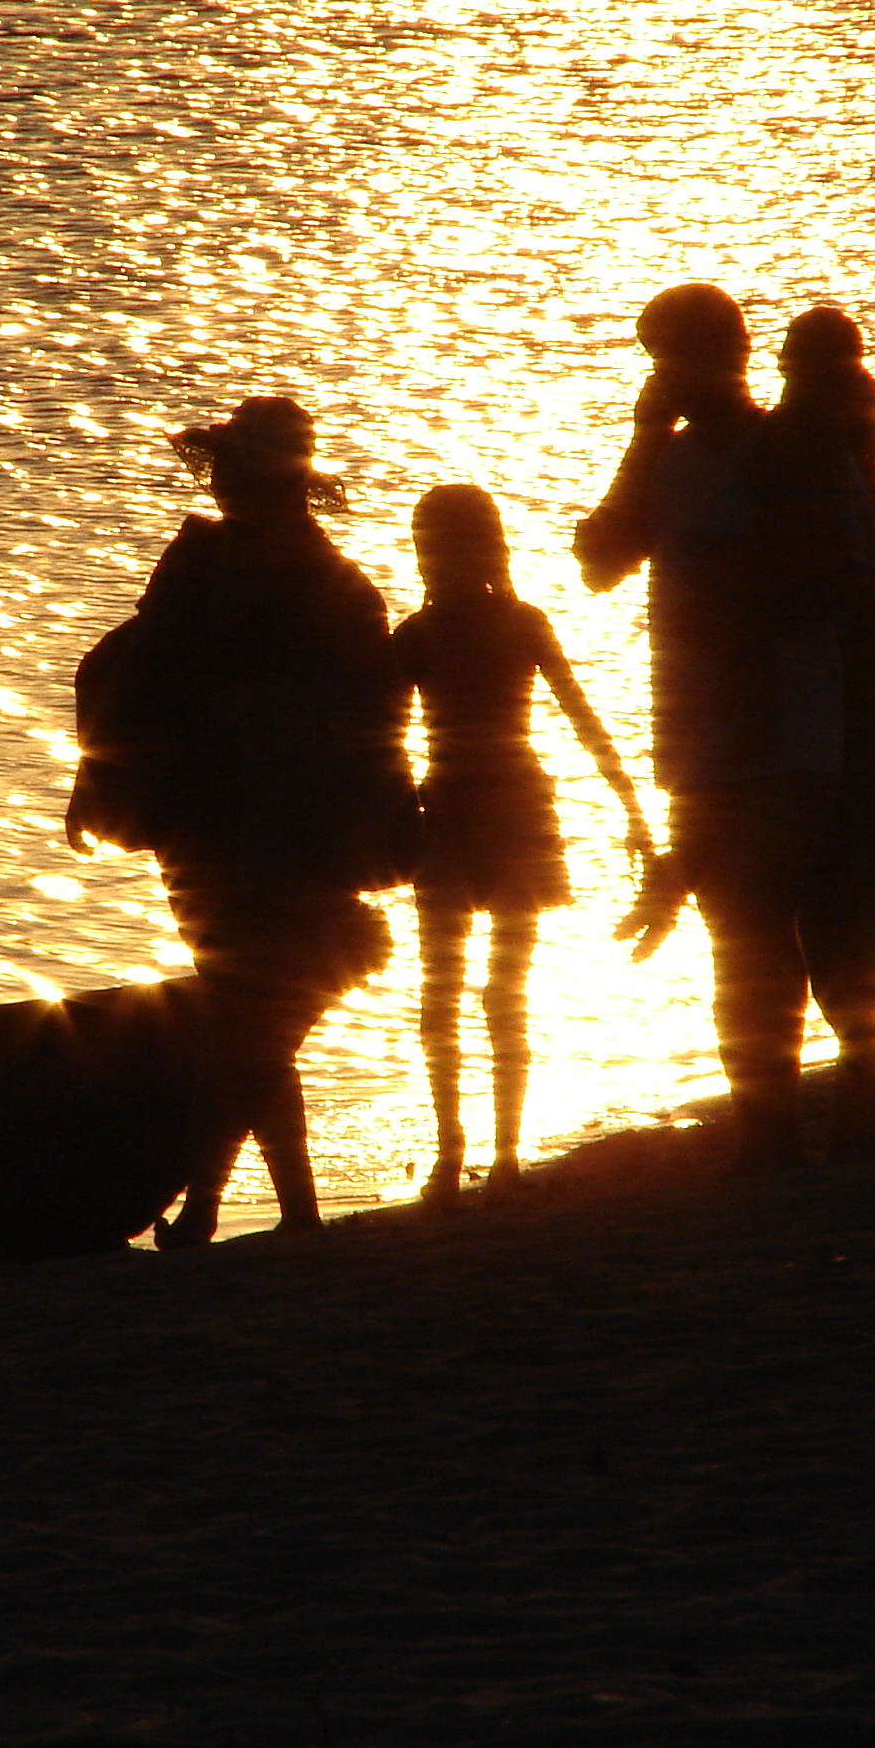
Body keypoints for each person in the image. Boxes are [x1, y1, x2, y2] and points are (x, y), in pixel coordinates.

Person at [574, 290, 875, 1170]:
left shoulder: (790, 447)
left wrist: (735, 591)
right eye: (658, 358)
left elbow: (846, 584)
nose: (671, 374)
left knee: (794, 916)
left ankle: (840, 1090)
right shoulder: (668, 461)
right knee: (739, 933)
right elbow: (599, 559)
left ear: (734, 352)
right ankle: (782, 1120)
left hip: (794, 729)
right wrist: (642, 438)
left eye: (684, 354)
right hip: (694, 736)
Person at [66, 395, 417, 1245]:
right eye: (222, 473)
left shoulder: (333, 589)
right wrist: (99, 776)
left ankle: (221, 1206)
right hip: (200, 821)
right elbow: (128, 668)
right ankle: (281, 1208)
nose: (224, 487)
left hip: (289, 828)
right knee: (249, 1017)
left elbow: (371, 714)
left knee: (245, 1016)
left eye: (239, 473)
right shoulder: (195, 566)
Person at [395, 484, 653, 1203]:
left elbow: (581, 717)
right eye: (427, 544)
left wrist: (633, 811)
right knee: (466, 995)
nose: (433, 557)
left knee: (478, 995)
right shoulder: (458, 631)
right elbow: (378, 741)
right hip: (473, 817)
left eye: (439, 543)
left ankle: (485, 1156)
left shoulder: (447, 631)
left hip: (484, 819)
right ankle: (473, 1155)